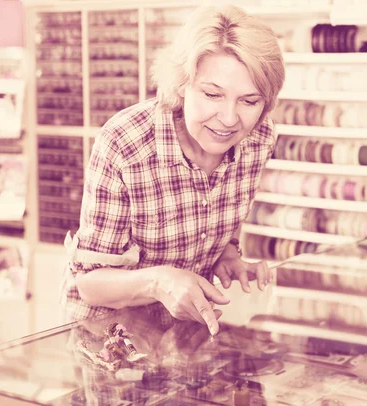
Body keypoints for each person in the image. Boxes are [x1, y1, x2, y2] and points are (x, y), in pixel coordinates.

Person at [59, 4, 285, 336]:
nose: (229, 118)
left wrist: (227, 254)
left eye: (249, 101)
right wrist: (159, 280)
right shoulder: (126, 142)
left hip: (182, 335)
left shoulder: (258, 140)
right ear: (182, 84)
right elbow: (89, 282)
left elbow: (213, 217)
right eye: (212, 94)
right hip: (107, 339)